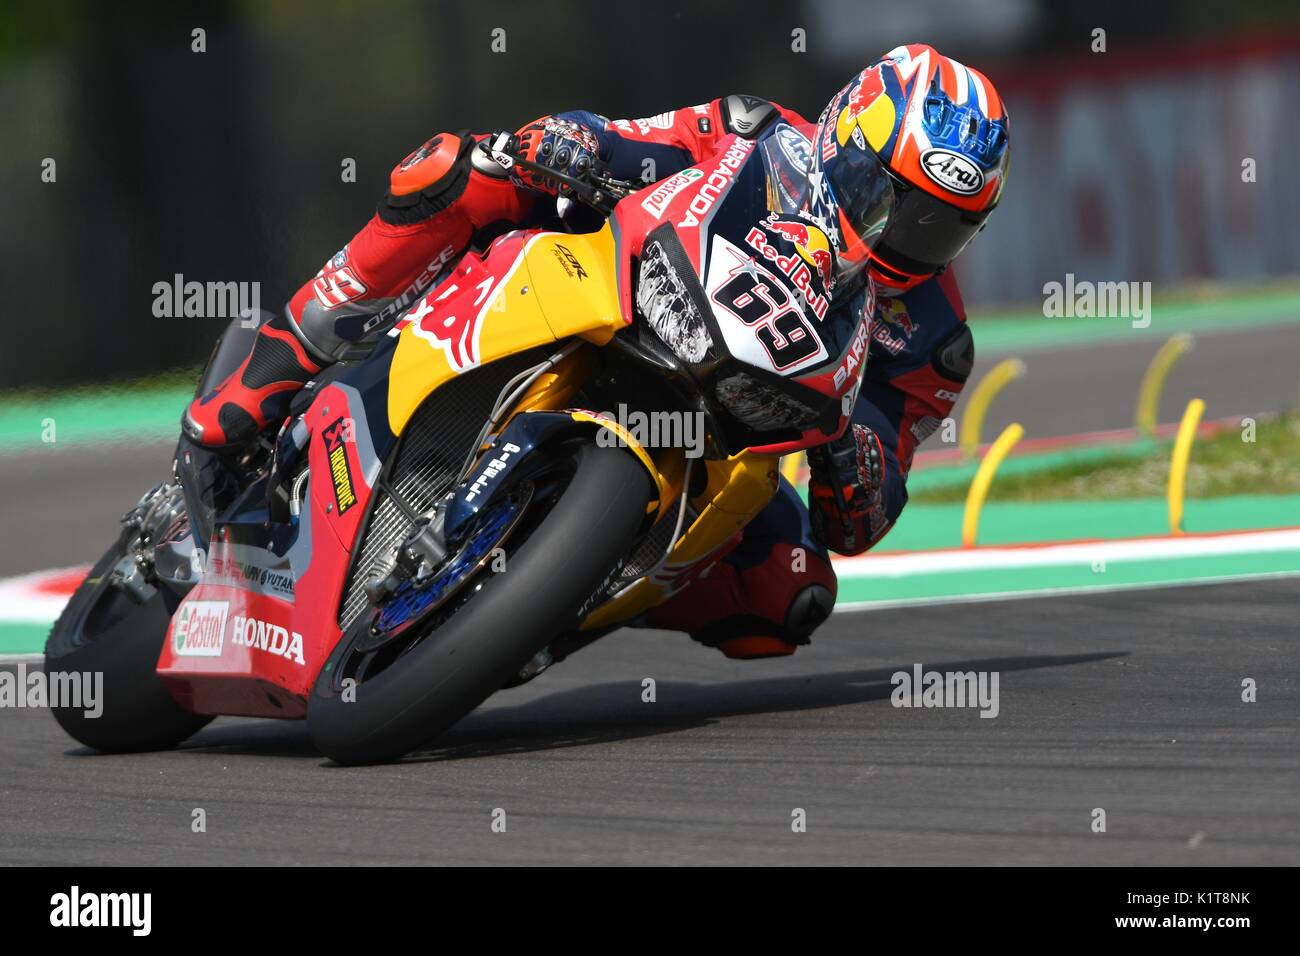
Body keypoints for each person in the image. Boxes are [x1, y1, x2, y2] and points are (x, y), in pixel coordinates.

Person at [183, 43, 1010, 661]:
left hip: (734, 440)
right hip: (628, 291)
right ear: (849, 138)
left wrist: (854, 463)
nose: (908, 234)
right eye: (893, 200)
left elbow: (863, 512)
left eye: (940, 223)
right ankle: (280, 359)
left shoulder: (933, 339)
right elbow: (637, 143)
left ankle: (551, 607)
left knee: (791, 592)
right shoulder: (757, 134)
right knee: (457, 168)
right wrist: (571, 146)